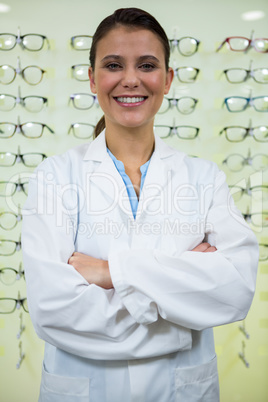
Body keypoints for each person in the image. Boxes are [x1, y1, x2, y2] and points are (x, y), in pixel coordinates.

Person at [22, 7, 259, 402]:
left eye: (146, 65)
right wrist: (182, 316)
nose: (130, 79)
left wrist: (111, 272)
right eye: (113, 65)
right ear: (93, 79)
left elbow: (235, 290)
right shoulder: (55, 177)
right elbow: (54, 310)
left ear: (167, 80)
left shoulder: (203, 178)